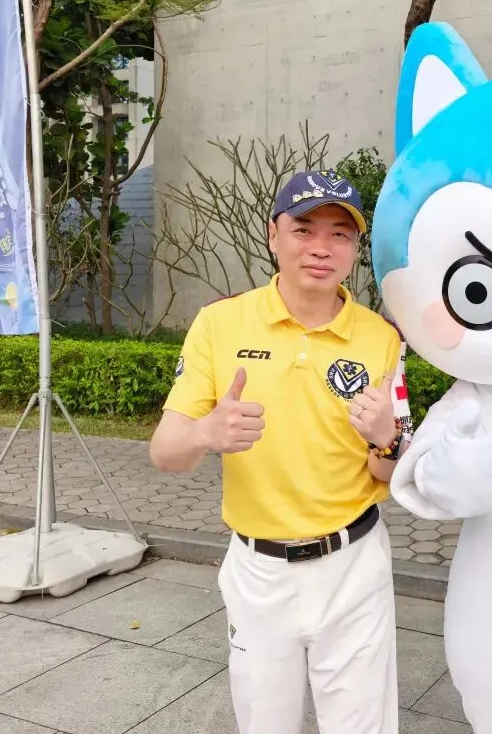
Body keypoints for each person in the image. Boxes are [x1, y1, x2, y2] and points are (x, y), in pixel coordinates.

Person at [148, 169, 408, 734]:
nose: (321, 247)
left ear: (356, 249)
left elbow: (389, 469)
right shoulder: (220, 323)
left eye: (340, 234)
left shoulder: (382, 336)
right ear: (273, 235)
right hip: (258, 571)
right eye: (303, 229)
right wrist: (205, 433)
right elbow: (165, 453)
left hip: (354, 565)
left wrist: (386, 437)